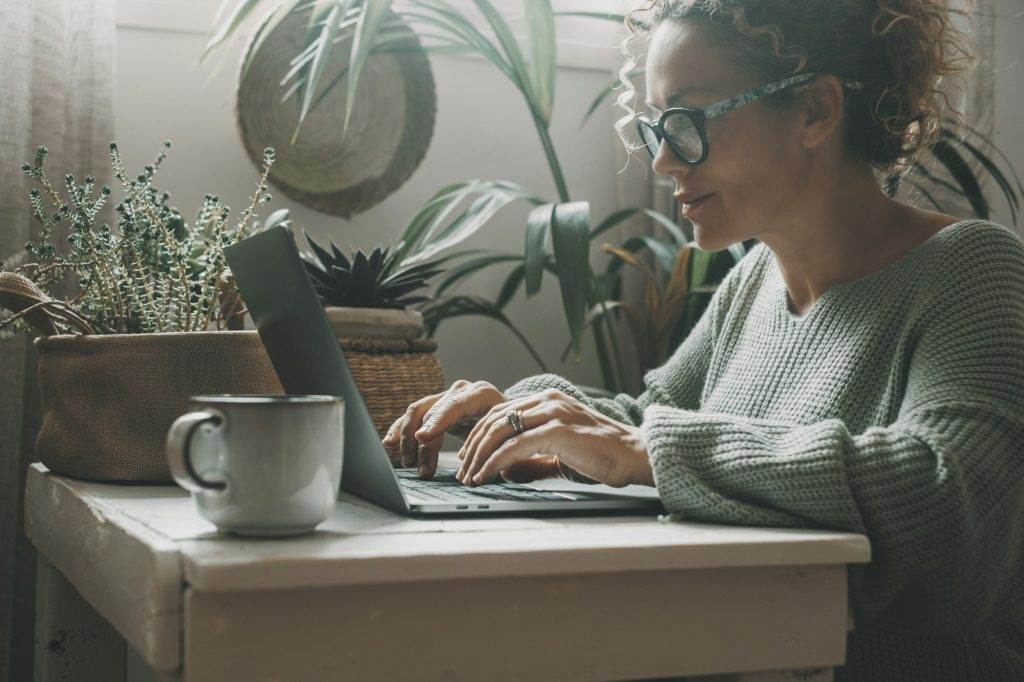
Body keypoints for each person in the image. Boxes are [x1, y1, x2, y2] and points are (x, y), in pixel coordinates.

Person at [382, 0, 1024, 679]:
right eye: (654, 127)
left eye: (688, 121)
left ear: (815, 110)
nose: (662, 161)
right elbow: (646, 420)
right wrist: (523, 413)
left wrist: (646, 454)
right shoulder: (752, 283)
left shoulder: (971, 268)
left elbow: (955, 509)